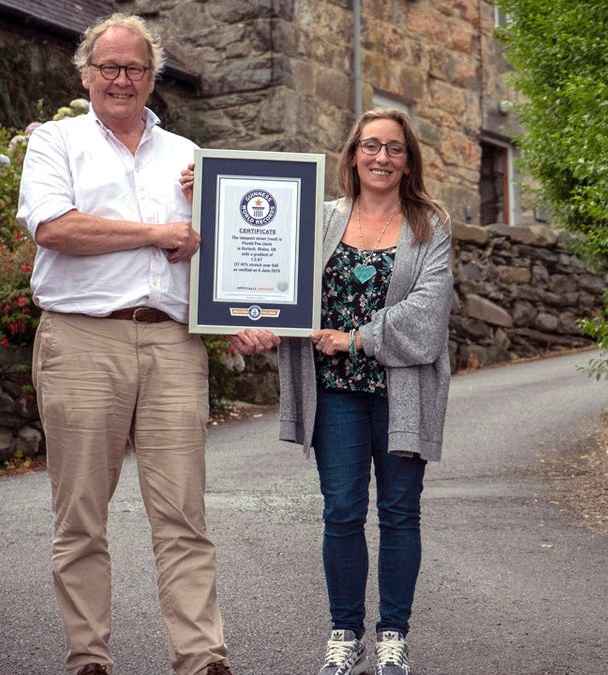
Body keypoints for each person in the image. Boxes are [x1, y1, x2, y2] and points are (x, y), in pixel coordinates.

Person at [15, 13, 233, 675]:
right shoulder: (56, 142)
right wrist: (154, 231)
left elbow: (229, 250)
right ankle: (90, 656)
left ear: (152, 77)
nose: (120, 78)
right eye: (108, 66)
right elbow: (53, 227)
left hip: (172, 342)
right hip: (82, 339)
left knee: (183, 514)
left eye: (134, 67)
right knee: (81, 512)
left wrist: (218, 209)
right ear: (85, 75)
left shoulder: (190, 158)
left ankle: (202, 657)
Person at [228, 108, 454, 675]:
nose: (382, 157)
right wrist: (256, 323)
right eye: (371, 146)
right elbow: (272, 277)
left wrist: (355, 338)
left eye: (395, 149)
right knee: (343, 513)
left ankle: (393, 636)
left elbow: (427, 317)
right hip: (335, 394)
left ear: (408, 161)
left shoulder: (430, 227)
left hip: (403, 391)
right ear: (352, 154)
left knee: (400, 513)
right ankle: (345, 632)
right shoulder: (317, 219)